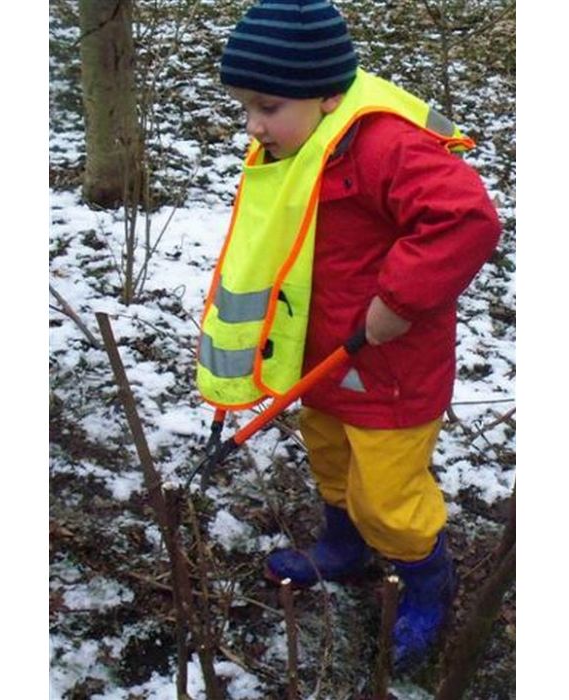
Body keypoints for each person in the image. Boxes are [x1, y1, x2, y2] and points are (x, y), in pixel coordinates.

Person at [195, 0, 502, 671]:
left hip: (391, 367)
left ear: (328, 95)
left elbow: (466, 219)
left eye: (267, 107)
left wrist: (399, 300)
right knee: (331, 457)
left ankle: (427, 581)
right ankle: (342, 546)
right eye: (245, 107)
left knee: (387, 495)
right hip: (328, 355)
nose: (252, 126)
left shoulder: (385, 145)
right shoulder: (305, 140)